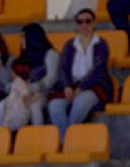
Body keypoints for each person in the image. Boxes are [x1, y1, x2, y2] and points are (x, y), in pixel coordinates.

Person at [48, 9, 113, 141]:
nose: (84, 25)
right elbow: (63, 68)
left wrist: (81, 87)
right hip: (71, 85)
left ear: (94, 23)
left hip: (94, 86)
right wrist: (67, 86)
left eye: (88, 21)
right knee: (55, 106)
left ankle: (69, 139)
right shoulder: (69, 45)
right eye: (80, 22)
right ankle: (65, 139)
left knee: (81, 103)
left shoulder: (101, 44)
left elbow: (98, 70)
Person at [17, 23, 60, 126]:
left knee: (35, 106)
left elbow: (51, 79)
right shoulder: (25, 57)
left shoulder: (51, 54)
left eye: (23, 37)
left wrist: (32, 88)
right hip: (27, 92)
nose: (21, 41)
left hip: (48, 92)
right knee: (3, 105)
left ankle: (38, 133)